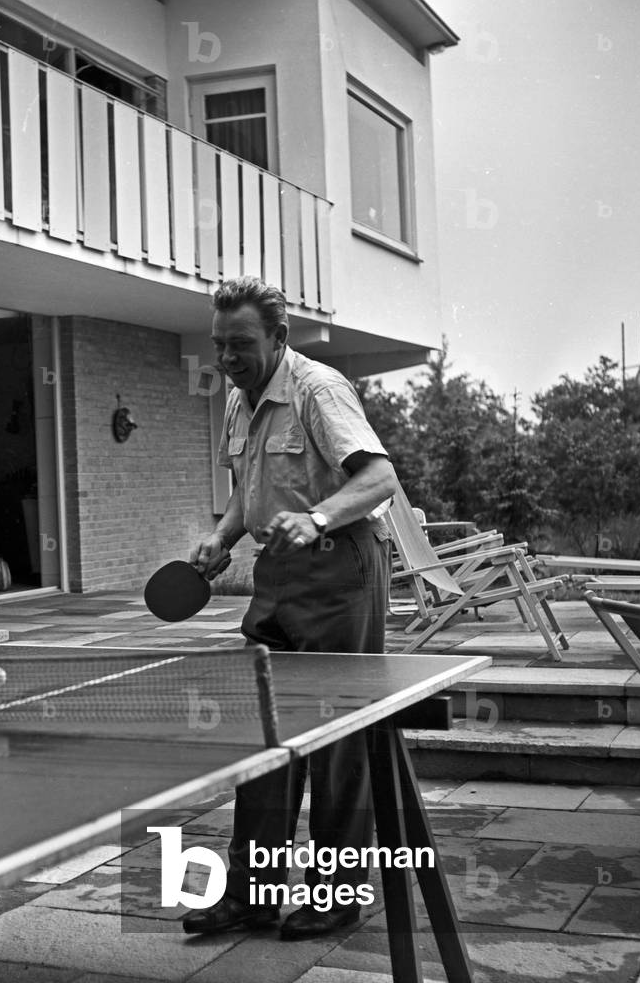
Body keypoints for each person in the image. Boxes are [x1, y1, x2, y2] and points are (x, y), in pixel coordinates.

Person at [181, 276, 396, 941]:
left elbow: (380, 478)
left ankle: (336, 897)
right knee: (264, 733)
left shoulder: (318, 389)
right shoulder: (238, 400)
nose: (227, 358)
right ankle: (253, 894)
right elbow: (248, 492)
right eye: (220, 346)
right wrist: (220, 540)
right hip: (279, 572)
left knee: (335, 738)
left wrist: (319, 519)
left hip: (341, 568)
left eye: (241, 344)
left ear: (279, 337)